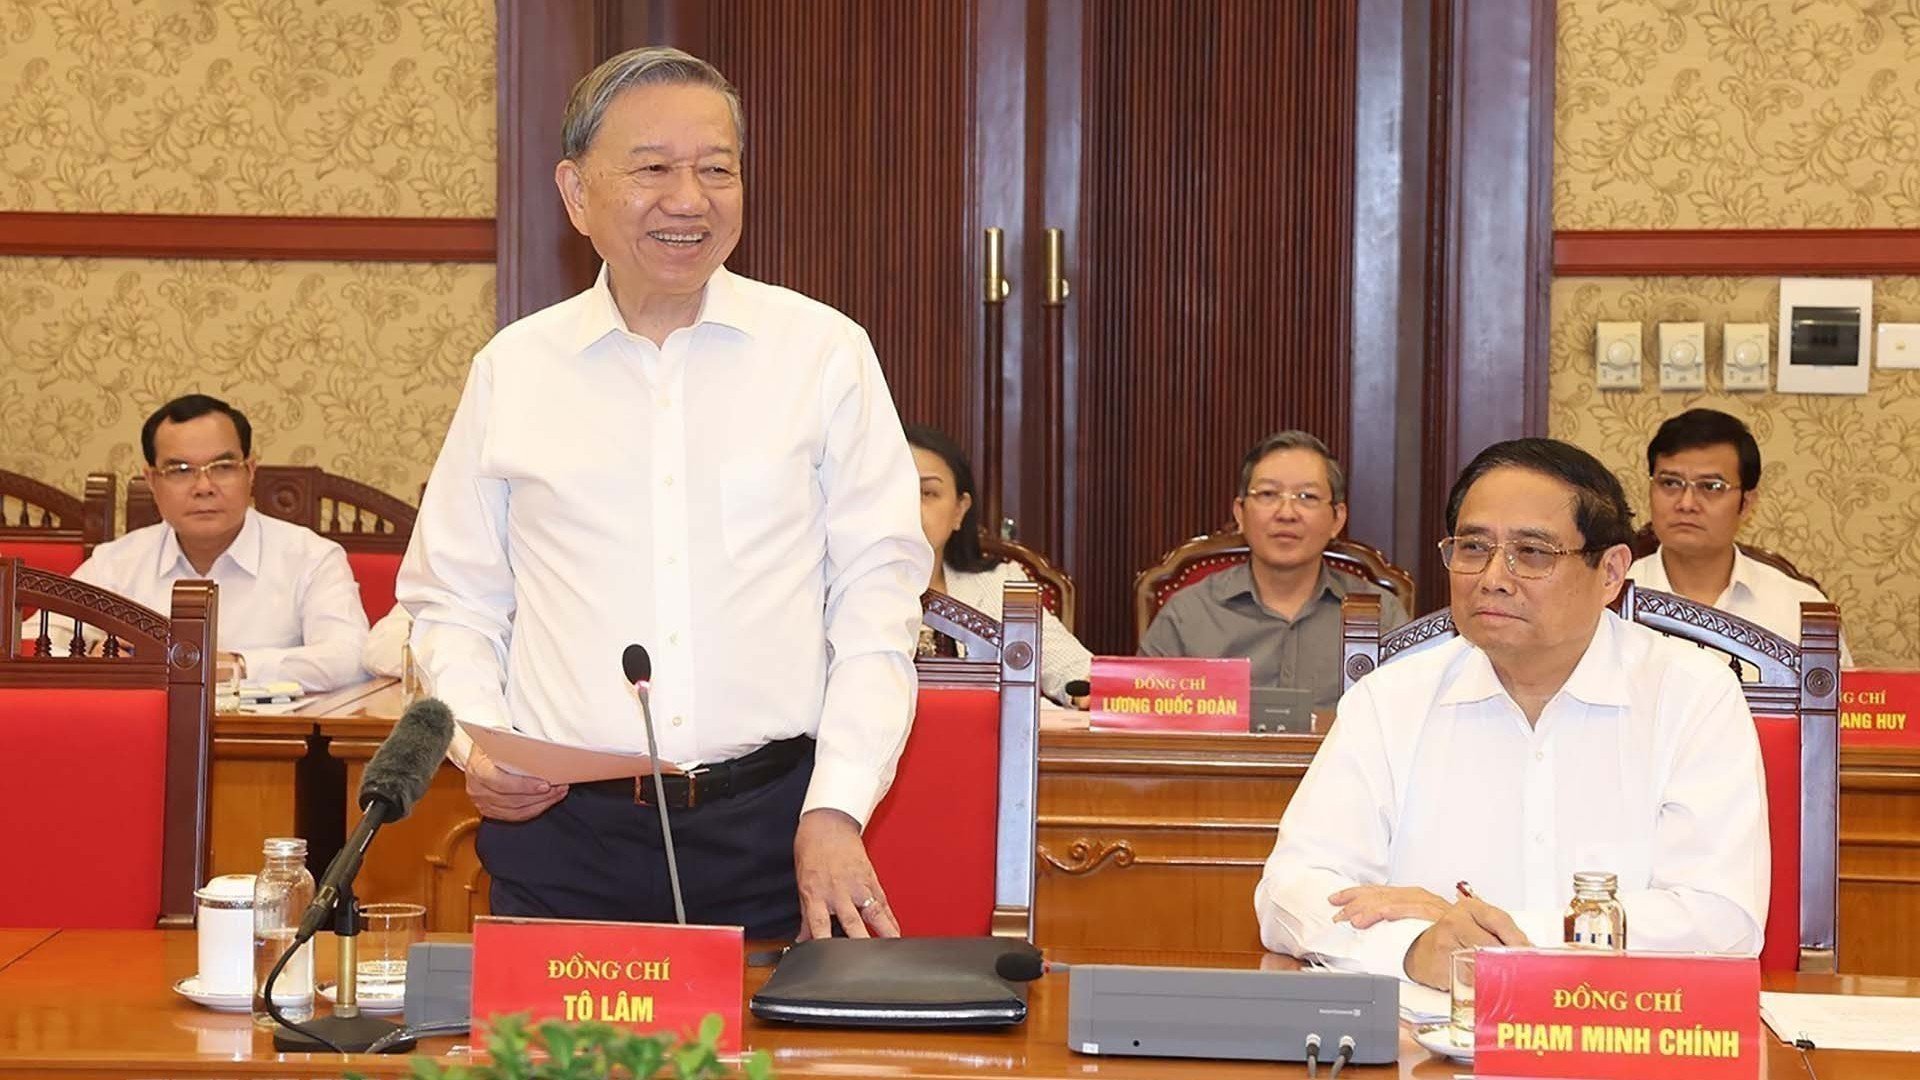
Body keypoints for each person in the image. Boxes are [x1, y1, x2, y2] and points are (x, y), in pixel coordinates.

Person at [396, 47, 932, 942]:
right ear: (576, 193)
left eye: (716, 169)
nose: (689, 199)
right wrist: (478, 741)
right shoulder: (516, 369)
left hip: (769, 832)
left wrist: (836, 807)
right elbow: (453, 598)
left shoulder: (822, 354)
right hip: (565, 834)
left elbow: (878, 605)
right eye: (652, 169)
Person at [1254, 438, 1769, 988]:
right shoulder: (1390, 699)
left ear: (1611, 572)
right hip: (1429, 1045)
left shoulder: (1692, 695)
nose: (1494, 576)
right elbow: (1290, 894)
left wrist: (1481, 937)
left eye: (1533, 553)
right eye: (1474, 547)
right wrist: (1414, 950)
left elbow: (1721, 921)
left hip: (1620, 1035)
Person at [34, 394, 369, 692]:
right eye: (180, 470)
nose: (204, 486)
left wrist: (234, 666)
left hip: (269, 750)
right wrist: (91, 660)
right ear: (152, 480)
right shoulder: (115, 564)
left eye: (223, 467)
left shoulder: (310, 557)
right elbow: (35, 641)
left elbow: (351, 657)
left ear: (250, 471)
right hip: (139, 745)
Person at [1138, 430, 1407, 710]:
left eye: (1307, 496)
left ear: (1337, 519)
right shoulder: (1188, 614)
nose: (1286, 513)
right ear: (1240, 513)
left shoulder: (1381, 616)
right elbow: (1142, 715)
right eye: (1268, 494)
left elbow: (1408, 718)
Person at [1627, 408, 1852, 665]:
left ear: (1746, 504)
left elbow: (1843, 703)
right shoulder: (1607, 599)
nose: (1686, 503)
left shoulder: (1801, 609)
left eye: (1711, 487)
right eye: (1670, 483)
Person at [905, 425, 1092, 705]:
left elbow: (1077, 673)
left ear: (959, 510)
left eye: (928, 493)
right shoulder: (830, 589)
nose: (909, 506)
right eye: (893, 490)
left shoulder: (999, 586)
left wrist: (1087, 693)